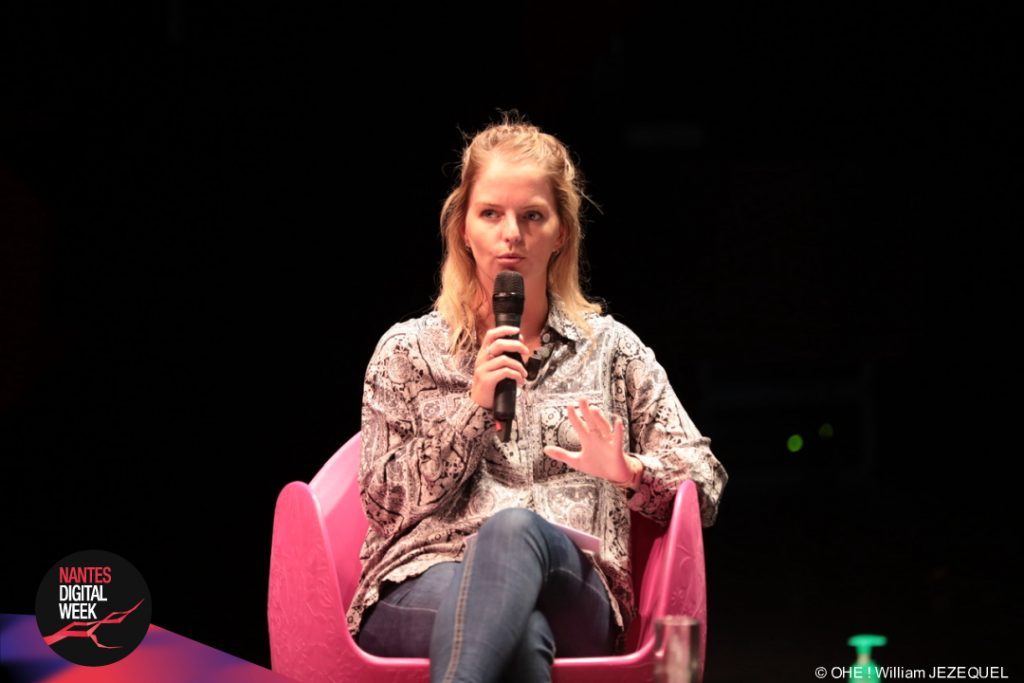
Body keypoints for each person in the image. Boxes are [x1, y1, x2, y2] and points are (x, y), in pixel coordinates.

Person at [345, 113, 728, 683]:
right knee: (521, 638)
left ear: (561, 233)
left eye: (532, 216)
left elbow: (706, 482)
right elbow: (381, 504)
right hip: (420, 580)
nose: (511, 234)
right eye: (491, 214)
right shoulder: (407, 352)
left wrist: (631, 472)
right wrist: (472, 411)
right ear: (464, 229)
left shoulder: (612, 352)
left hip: (574, 590)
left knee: (513, 529)